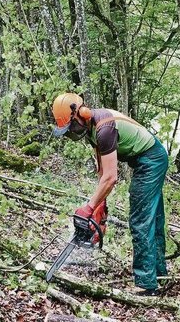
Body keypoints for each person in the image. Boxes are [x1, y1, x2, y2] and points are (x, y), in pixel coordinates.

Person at [51, 92, 168, 295]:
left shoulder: (104, 129)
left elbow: (111, 177)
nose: (72, 132)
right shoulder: (92, 129)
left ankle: (146, 284)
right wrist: (99, 207)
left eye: (71, 127)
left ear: (81, 114)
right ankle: (158, 273)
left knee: (141, 219)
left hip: (151, 160)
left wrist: (88, 207)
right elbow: (103, 171)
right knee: (153, 218)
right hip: (147, 159)